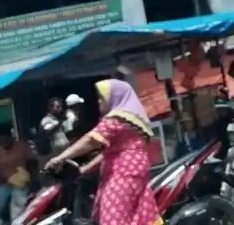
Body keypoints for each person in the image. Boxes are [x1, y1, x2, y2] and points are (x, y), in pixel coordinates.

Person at [44, 79, 162, 225]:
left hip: (123, 173)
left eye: (102, 98)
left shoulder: (117, 118)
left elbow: (91, 140)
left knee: (114, 216)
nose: (99, 101)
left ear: (115, 97)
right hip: (133, 170)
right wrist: (85, 169)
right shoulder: (131, 119)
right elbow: (108, 152)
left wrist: (60, 158)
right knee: (137, 217)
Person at [0, 124, 36, 220]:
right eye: (0, 140)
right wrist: (6, 179)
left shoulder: (22, 146)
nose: (3, 142)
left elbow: (33, 162)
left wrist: (30, 176)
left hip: (22, 182)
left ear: (10, 137)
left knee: (19, 203)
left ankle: (18, 220)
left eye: (5, 139)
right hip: (4, 184)